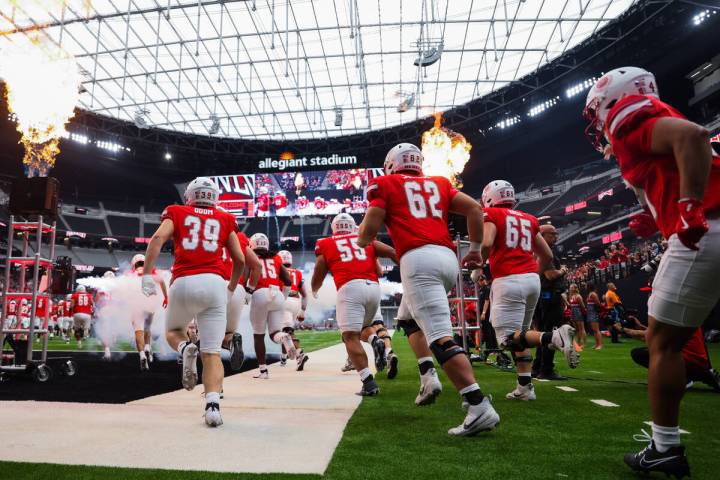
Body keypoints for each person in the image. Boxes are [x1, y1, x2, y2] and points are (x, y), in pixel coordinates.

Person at [584, 66, 720, 477]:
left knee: (663, 343)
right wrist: (655, 211)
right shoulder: (655, 114)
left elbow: (694, 136)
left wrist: (689, 205)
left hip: (707, 230)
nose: (597, 124)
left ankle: (665, 448)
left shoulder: (630, 113)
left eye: (596, 113)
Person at [358, 142, 499, 436]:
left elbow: (366, 235)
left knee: (440, 338)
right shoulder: (438, 183)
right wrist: (474, 250)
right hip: (446, 259)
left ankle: (477, 405)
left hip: (418, 260)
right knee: (408, 320)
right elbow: (475, 208)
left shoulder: (384, 183)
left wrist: (362, 237)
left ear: (392, 164)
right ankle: (427, 376)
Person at [142, 176, 245, 427]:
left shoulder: (176, 211)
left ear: (190, 195)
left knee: (174, 332)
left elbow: (157, 239)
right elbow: (240, 260)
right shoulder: (225, 218)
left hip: (185, 282)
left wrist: (147, 274)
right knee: (212, 354)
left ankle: (185, 349)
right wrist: (230, 288)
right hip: (214, 284)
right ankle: (212, 407)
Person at [478, 180, 578, 401]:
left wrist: (477, 266)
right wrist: (534, 274)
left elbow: (486, 244)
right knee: (520, 337)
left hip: (508, 280)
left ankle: (554, 336)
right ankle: (525, 388)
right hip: (531, 280)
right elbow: (548, 256)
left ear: (490, 198)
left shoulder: (492, 215)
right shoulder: (530, 219)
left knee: (506, 338)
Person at [312, 213, 397, 395]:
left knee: (349, 337)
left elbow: (319, 268)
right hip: (373, 288)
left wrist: (315, 288)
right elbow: (391, 252)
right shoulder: (364, 240)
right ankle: (375, 339)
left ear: (334, 227)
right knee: (364, 327)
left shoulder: (326, 243)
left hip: (349, 288)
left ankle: (368, 383)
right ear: (352, 226)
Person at [247, 233, 293, 380]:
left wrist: (246, 294)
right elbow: (287, 280)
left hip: (259, 293)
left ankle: (263, 371)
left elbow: (246, 275)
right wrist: (283, 297)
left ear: (252, 245)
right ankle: (284, 337)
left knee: (258, 335)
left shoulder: (250, 256)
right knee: (275, 333)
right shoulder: (276, 258)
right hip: (277, 293)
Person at [219, 225, 261, 372]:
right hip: (237, 287)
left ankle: (213, 388)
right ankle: (232, 342)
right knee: (228, 333)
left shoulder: (205, 233)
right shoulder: (241, 237)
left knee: (206, 338)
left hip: (214, 285)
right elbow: (256, 265)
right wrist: (249, 292)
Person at [532, 224, 570, 380]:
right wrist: (563, 270)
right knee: (551, 333)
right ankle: (546, 369)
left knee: (543, 333)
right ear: (543, 235)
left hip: (543, 296)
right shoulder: (546, 253)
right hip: (549, 297)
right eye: (553, 234)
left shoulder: (535, 251)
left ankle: (537, 367)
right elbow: (550, 275)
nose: (556, 237)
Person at [130, 254, 168, 370]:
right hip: (150, 304)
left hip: (137, 305)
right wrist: (166, 297)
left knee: (138, 330)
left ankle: (142, 354)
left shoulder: (131, 275)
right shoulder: (152, 271)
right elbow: (161, 281)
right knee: (148, 328)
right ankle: (147, 346)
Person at [277, 250, 309, 371]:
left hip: (284, 300)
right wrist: (303, 310)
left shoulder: (277, 269)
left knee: (287, 332)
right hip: (296, 302)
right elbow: (305, 294)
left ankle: (299, 353)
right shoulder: (297, 272)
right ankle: (284, 357)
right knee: (284, 331)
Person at [568, 284, 586, 349]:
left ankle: (583, 344)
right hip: (573, 313)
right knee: (577, 330)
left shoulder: (578, 296)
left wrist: (582, 313)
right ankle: (578, 343)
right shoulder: (571, 296)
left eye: (571, 288)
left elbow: (583, 306)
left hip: (578, 312)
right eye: (570, 288)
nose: (570, 289)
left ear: (574, 288)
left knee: (582, 329)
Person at [585, 284, 604, 350]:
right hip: (590, 313)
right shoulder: (590, 294)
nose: (585, 287)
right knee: (594, 330)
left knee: (596, 330)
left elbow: (598, 303)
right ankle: (596, 344)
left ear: (589, 287)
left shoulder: (593, 294)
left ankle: (600, 345)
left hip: (593, 312)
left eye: (586, 286)